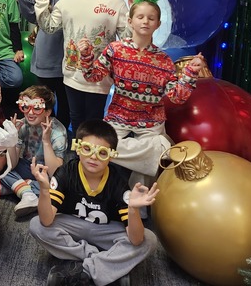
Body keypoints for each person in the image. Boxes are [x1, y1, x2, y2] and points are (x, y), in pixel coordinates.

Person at [79, 0, 204, 182]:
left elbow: (177, 98)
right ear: (130, 21)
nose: (145, 21)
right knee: (100, 147)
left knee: (144, 158)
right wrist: (86, 56)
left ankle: (139, 197)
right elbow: (92, 76)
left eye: (151, 18)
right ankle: (154, 152)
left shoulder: (164, 61)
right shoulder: (115, 50)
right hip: (118, 117)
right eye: (140, 17)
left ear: (158, 24)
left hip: (151, 123)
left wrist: (190, 73)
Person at [28, 120, 159, 286]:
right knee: (36, 225)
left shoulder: (118, 182)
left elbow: (136, 239)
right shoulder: (66, 173)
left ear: (111, 156)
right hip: (73, 227)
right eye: (87, 149)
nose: (94, 157)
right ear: (77, 149)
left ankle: (83, 270)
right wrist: (44, 191)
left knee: (148, 240)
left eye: (102, 153)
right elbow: (46, 220)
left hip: (105, 231)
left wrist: (133, 209)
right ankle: (105, 264)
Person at [35, 0, 128, 136]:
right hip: (72, 75)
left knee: (94, 121)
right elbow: (49, 27)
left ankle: (92, 153)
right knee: (76, 120)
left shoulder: (115, 2)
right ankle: (77, 154)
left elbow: (127, 40)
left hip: (100, 79)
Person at [11, 0, 80, 128]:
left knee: (68, 107)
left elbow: (77, 11)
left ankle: (64, 142)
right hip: (46, 51)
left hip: (68, 51)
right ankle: (46, 140)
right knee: (45, 105)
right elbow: (33, 17)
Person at [0, 85, 68, 218]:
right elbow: (12, 164)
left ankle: (16, 187)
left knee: (56, 190)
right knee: (0, 165)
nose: (30, 113)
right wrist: (13, 139)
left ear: (48, 112)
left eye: (37, 108)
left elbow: (55, 172)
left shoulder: (58, 132)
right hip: (28, 167)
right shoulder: (24, 125)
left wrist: (46, 141)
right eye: (25, 107)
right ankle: (27, 191)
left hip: (47, 174)